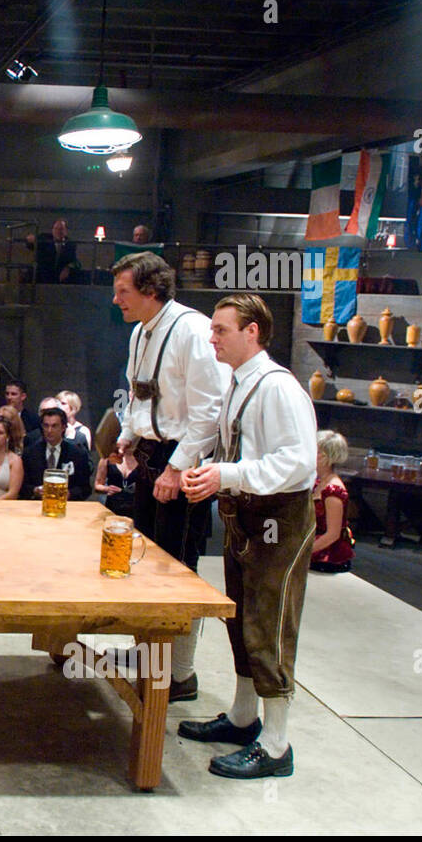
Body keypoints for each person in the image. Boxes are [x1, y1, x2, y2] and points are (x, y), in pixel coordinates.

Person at [179, 293, 317, 780]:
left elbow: (299, 462)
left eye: (221, 329)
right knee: (241, 618)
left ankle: (277, 746)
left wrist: (229, 475)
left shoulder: (278, 387)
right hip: (245, 515)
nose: (211, 337)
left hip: (279, 517)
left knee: (270, 623)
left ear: (252, 331)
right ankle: (243, 717)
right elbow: (233, 447)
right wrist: (209, 475)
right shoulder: (238, 383)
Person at [109, 250, 227, 703]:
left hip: (186, 460)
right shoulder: (140, 331)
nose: (117, 300)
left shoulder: (192, 330)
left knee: (179, 569)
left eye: (123, 291)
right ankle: (149, 659)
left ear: (151, 290)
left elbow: (210, 410)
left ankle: (180, 674)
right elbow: (139, 395)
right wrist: (126, 436)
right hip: (151, 455)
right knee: (145, 562)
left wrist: (178, 468)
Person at [21, 406, 92, 502]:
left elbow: (85, 488)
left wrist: (69, 494)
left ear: (63, 427)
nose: (49, 430)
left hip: (67, 506)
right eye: (46, 426)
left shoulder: (77, 454)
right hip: (37, 504)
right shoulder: (30, 453)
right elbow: (22, 486)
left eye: (54, 426)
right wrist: (35, 491)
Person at [310, 430, 354, 573]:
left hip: (325, 554)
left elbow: (332, 534)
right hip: (313, 543)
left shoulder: (333, 491)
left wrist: (301, 552)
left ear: (322, 456)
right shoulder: (318, 482)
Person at [30, 219, 81, 284]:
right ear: (52, 230)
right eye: (56, 229)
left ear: (66, 231)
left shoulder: (70, 245)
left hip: (61, 280)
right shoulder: (44, 239)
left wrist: (68, 268)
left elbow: (76, 262)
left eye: (61, 229)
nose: (58, 231)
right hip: (42, 278)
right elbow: (30, 245)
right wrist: (31, 240)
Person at [95, 448, 138, 518]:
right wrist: (107, 489)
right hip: (113, 506)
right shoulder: (107, 458)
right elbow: (98, 484)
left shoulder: (143, 460)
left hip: (136, 508)